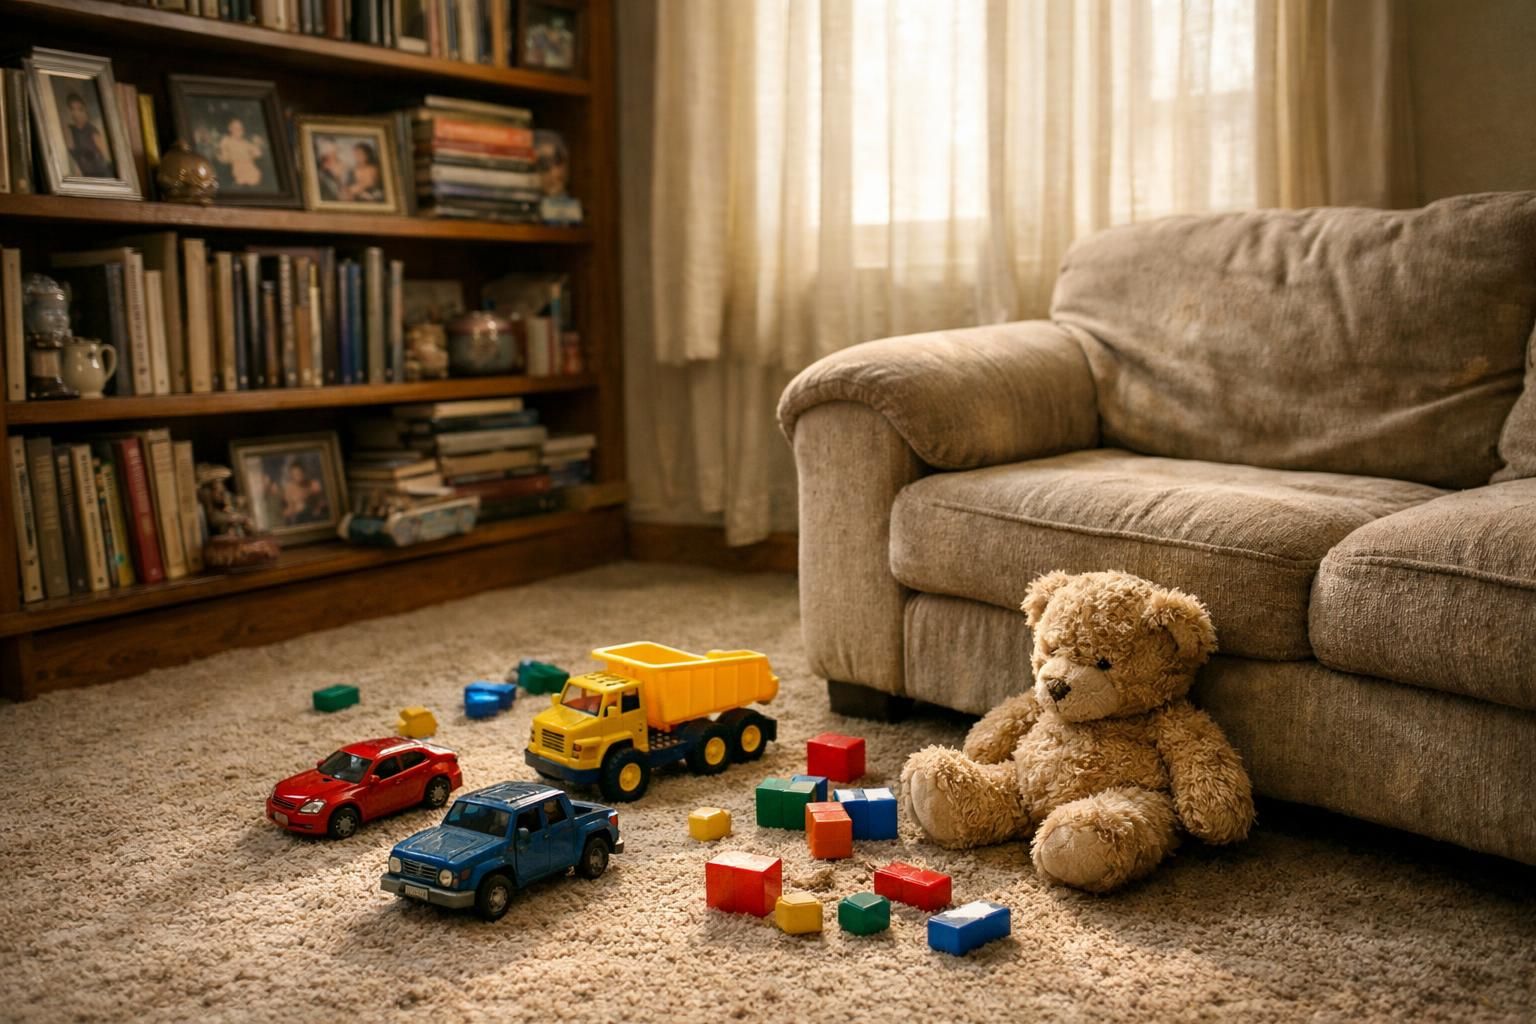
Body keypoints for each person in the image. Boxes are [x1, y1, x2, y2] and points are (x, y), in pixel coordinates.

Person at [62, 92, 113, 178]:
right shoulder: (70, 130)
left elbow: (107, 158)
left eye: (80, 109)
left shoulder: (92, 131)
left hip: (101, 175)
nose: (76, 113)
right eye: (72, 109)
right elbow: (71, 154)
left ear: (85, 110)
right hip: (82, 177)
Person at [215, 117, 265, 188]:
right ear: (230, 128)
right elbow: (223, 158)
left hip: (253, 174)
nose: (239, 130)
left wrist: (257, 144)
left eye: (241, 128)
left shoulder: (245, 143)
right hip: (238, 175)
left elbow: (258, 153)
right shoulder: (226, 141)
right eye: (236, 128)